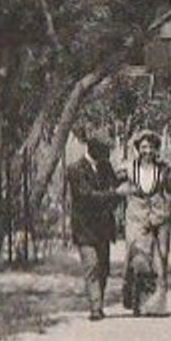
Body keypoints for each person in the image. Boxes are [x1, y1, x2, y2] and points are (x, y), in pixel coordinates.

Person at [67, 129, 128, 321]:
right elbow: (87, 197)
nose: (107, 155)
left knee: (103, 267)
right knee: (91, 265)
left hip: (103, 228)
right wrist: (116, 194)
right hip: (84, 228)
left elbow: (112, 191)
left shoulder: (106, 167)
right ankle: (96, 307)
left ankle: (98, 301)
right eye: (104, 150)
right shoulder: (75, 169)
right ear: (92, 148)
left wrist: (124, 181)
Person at [122, 128, 171, 315]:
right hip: (136, 217)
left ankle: (157, 305)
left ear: (156, 149)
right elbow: (118, 188)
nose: (147, 151)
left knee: (161, 258)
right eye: (143, 147)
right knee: (139, 259)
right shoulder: (128, 168)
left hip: (160, 216)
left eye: (151, 147)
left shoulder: (164, 168)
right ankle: (137, 301)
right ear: (138, 149)